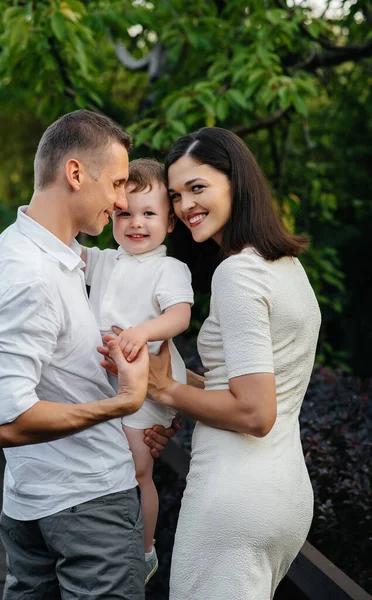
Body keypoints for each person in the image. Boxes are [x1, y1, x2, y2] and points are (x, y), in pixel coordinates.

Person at [102, 127, 322, 600]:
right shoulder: (283, 265)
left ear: (236, 182)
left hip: (235, 492)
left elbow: (255, 413)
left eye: (197, 188)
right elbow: (248, 383)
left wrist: (166, 391)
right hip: (283, 495)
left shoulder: (237, 273)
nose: (184, 206)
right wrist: (176, 382)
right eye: (177, 195)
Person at [0, 109, 174, 600]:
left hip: (36, 503)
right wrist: (122, 404)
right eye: (115, 183)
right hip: (88, 509)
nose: (120, 199)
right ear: (74, 173)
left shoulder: (42, 252)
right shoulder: (32, 273)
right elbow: (9, 421)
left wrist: (162, 397)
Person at [80, 158, 193, 583]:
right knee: (111, 463)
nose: (136, 223)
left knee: (137, 465)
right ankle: (111, 540)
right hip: (109, 382)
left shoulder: (168, 268)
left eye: (149, 214)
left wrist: (142, 331)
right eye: (124, 212)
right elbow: (64, 246)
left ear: (170, 223)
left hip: (149, 382)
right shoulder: (106, 260)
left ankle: (144, 549)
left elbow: (179, 315)